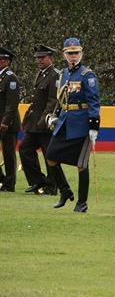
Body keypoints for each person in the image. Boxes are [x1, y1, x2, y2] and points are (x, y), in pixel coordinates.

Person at [45, 38, 101, 213]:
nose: (73, 57)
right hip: (65, 121)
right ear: (64, 55)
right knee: (51, 156)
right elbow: (61, 98)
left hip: (82, 123)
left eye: (76, 53)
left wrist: (94, 126)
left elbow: (94, 101)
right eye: (70, 54)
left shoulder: (87, 75)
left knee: (81, 164)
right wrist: (54, 116)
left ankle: (82, 202)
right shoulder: (63, 74)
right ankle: (65, 191)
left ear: (81, 54)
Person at [19, 45, 60, 195]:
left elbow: (53, 101)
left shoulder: (55, 74)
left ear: (51, 58)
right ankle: (38, 181)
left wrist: (45, 120)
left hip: (45, 123)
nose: (39, 60)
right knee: (24, 149)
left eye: (42, 58)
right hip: (34, 123)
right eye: (37, 58)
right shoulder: (41, 74)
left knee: (49, 155)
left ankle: (52, 186)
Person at [0, 46, 21, 192]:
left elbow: (11, 103)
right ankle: (3, 180)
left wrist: (5, 122)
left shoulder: (11, 77)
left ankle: (9, 184)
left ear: (7, 61)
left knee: (8, 155)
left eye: (2, 59)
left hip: (7, 123)